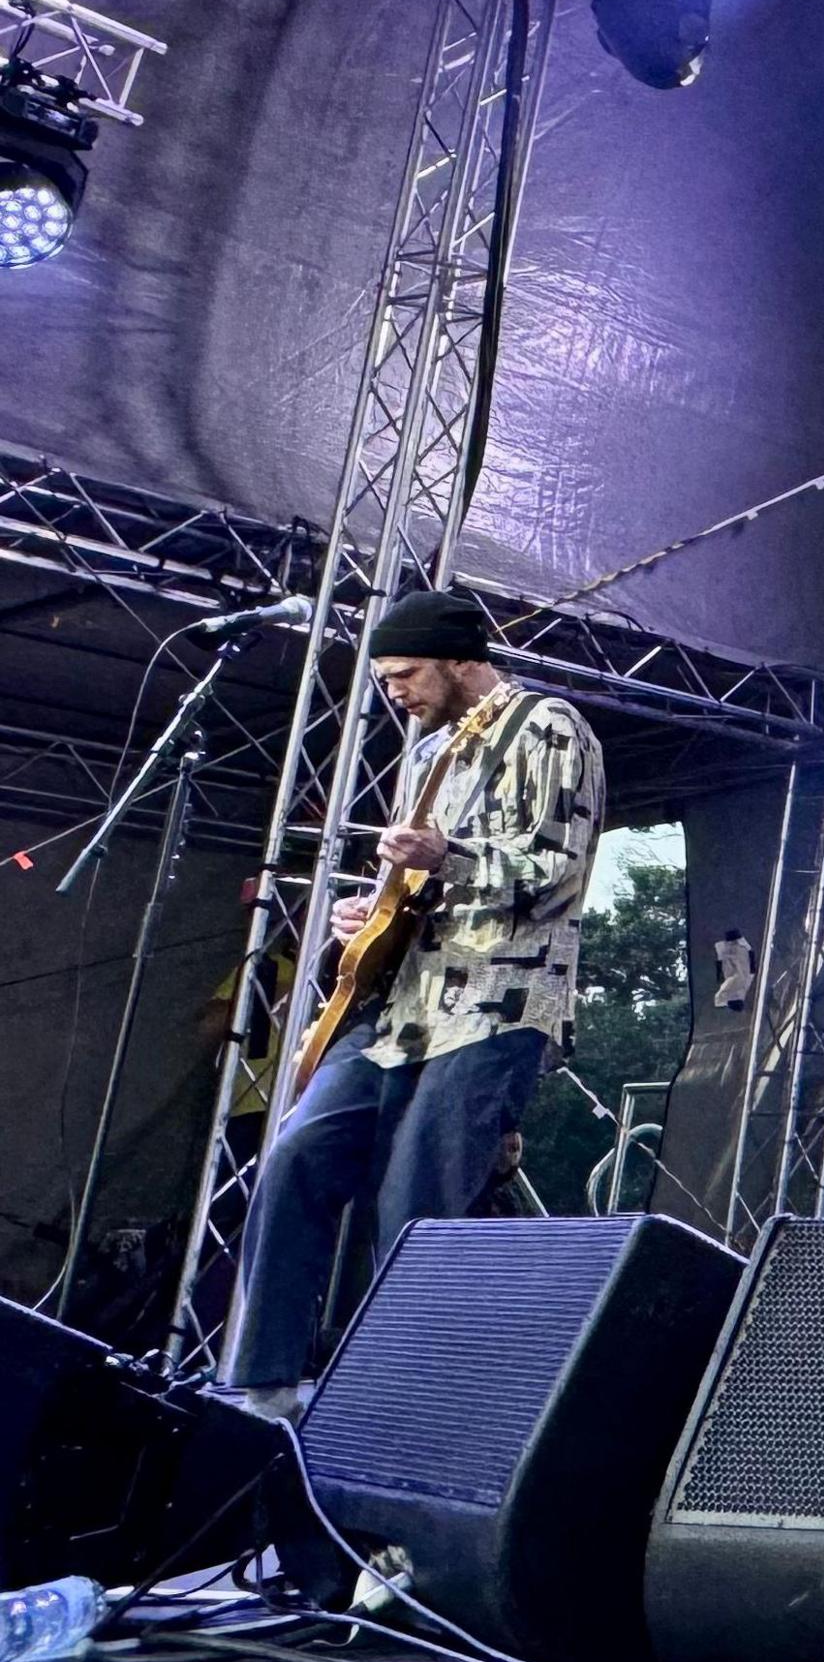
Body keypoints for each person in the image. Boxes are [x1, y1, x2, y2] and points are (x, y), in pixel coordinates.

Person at [225, 587, 607, 1406]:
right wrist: (372, 909)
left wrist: (447, 854)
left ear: (462, 660)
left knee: (415, 1207)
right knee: (294, 1155)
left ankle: (395, 1400)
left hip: (495, 1005)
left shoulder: (548, 726)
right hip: (402, 1010)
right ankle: (265, 1390)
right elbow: (418, 886)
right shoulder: (438, 752)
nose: (395, 691)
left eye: (406, 673)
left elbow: (558, 870)